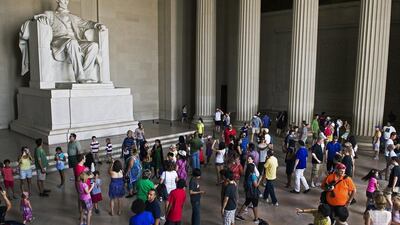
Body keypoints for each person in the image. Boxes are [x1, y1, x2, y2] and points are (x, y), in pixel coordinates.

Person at [33, 0, 106, 82]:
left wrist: (97, 25)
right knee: (72, 42)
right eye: (64, 0)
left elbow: (86, 23)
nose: (66, 2)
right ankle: (80, 76)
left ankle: (87, 75)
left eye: (67, 0)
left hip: (75, 41)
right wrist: (41, 18)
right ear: (58, 1)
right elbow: (39, 17)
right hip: (59, 41)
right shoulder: (50, 14)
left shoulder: (73, 17)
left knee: (93, 45)